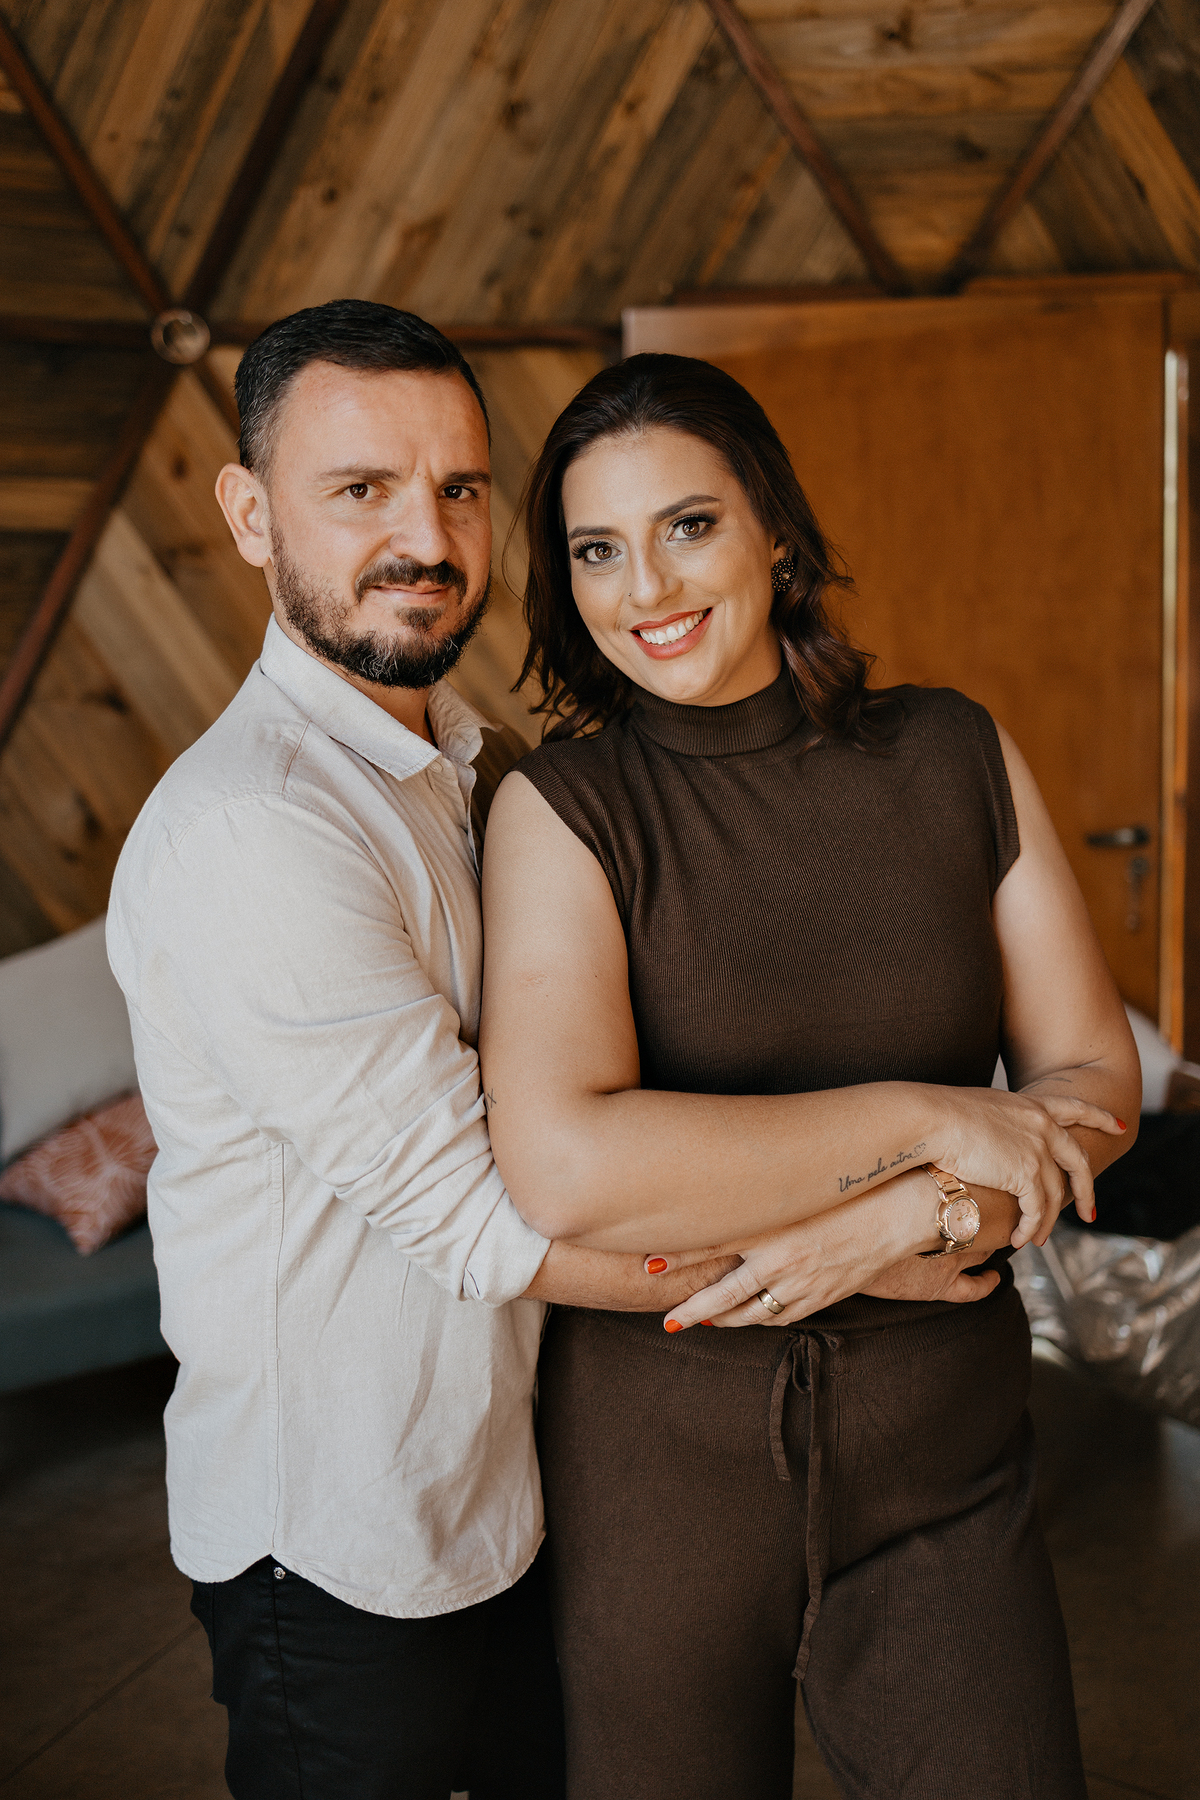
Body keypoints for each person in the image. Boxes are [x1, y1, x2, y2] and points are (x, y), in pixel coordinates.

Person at [479, 352, 1141, 1800]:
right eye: (596, 549)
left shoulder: (956, 752)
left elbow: (1094, 1074)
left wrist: (919, 1217)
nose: (646, 586)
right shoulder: (564, 807)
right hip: (659, 1485)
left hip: (949, 1462)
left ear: (776, 531)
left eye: (688, 525)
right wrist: (927, 1123)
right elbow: (568, 1167)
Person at [106, 305, 733, 1800]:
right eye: (360, 490)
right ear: (249, 515)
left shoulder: (457, 765)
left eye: (458, 488)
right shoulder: (257, 826)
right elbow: (484, 1216)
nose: (427, 539)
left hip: (494, 1490)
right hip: (335, 1544)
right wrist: (844, 1246)